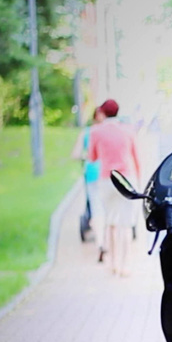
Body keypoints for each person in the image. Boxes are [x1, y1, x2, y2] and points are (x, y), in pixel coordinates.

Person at [88, 99, 142, 277]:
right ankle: (125, 265)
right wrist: (139, 181)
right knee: (126, 225)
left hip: (107, 179)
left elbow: (92, 157)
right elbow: (136, 158)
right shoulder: (129, 130)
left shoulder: (96, 131)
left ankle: (112, 263)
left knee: (110, 222)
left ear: (103, 112)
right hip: (127, 179)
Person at [70, 109, 104, 259]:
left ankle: (100, 242)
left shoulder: (86, 132)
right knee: (106, 207)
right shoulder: (108, 132)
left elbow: (75, 154)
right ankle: (105, 241)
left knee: (96, 208)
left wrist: (86, 156)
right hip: (106, 172)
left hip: (91, 173)